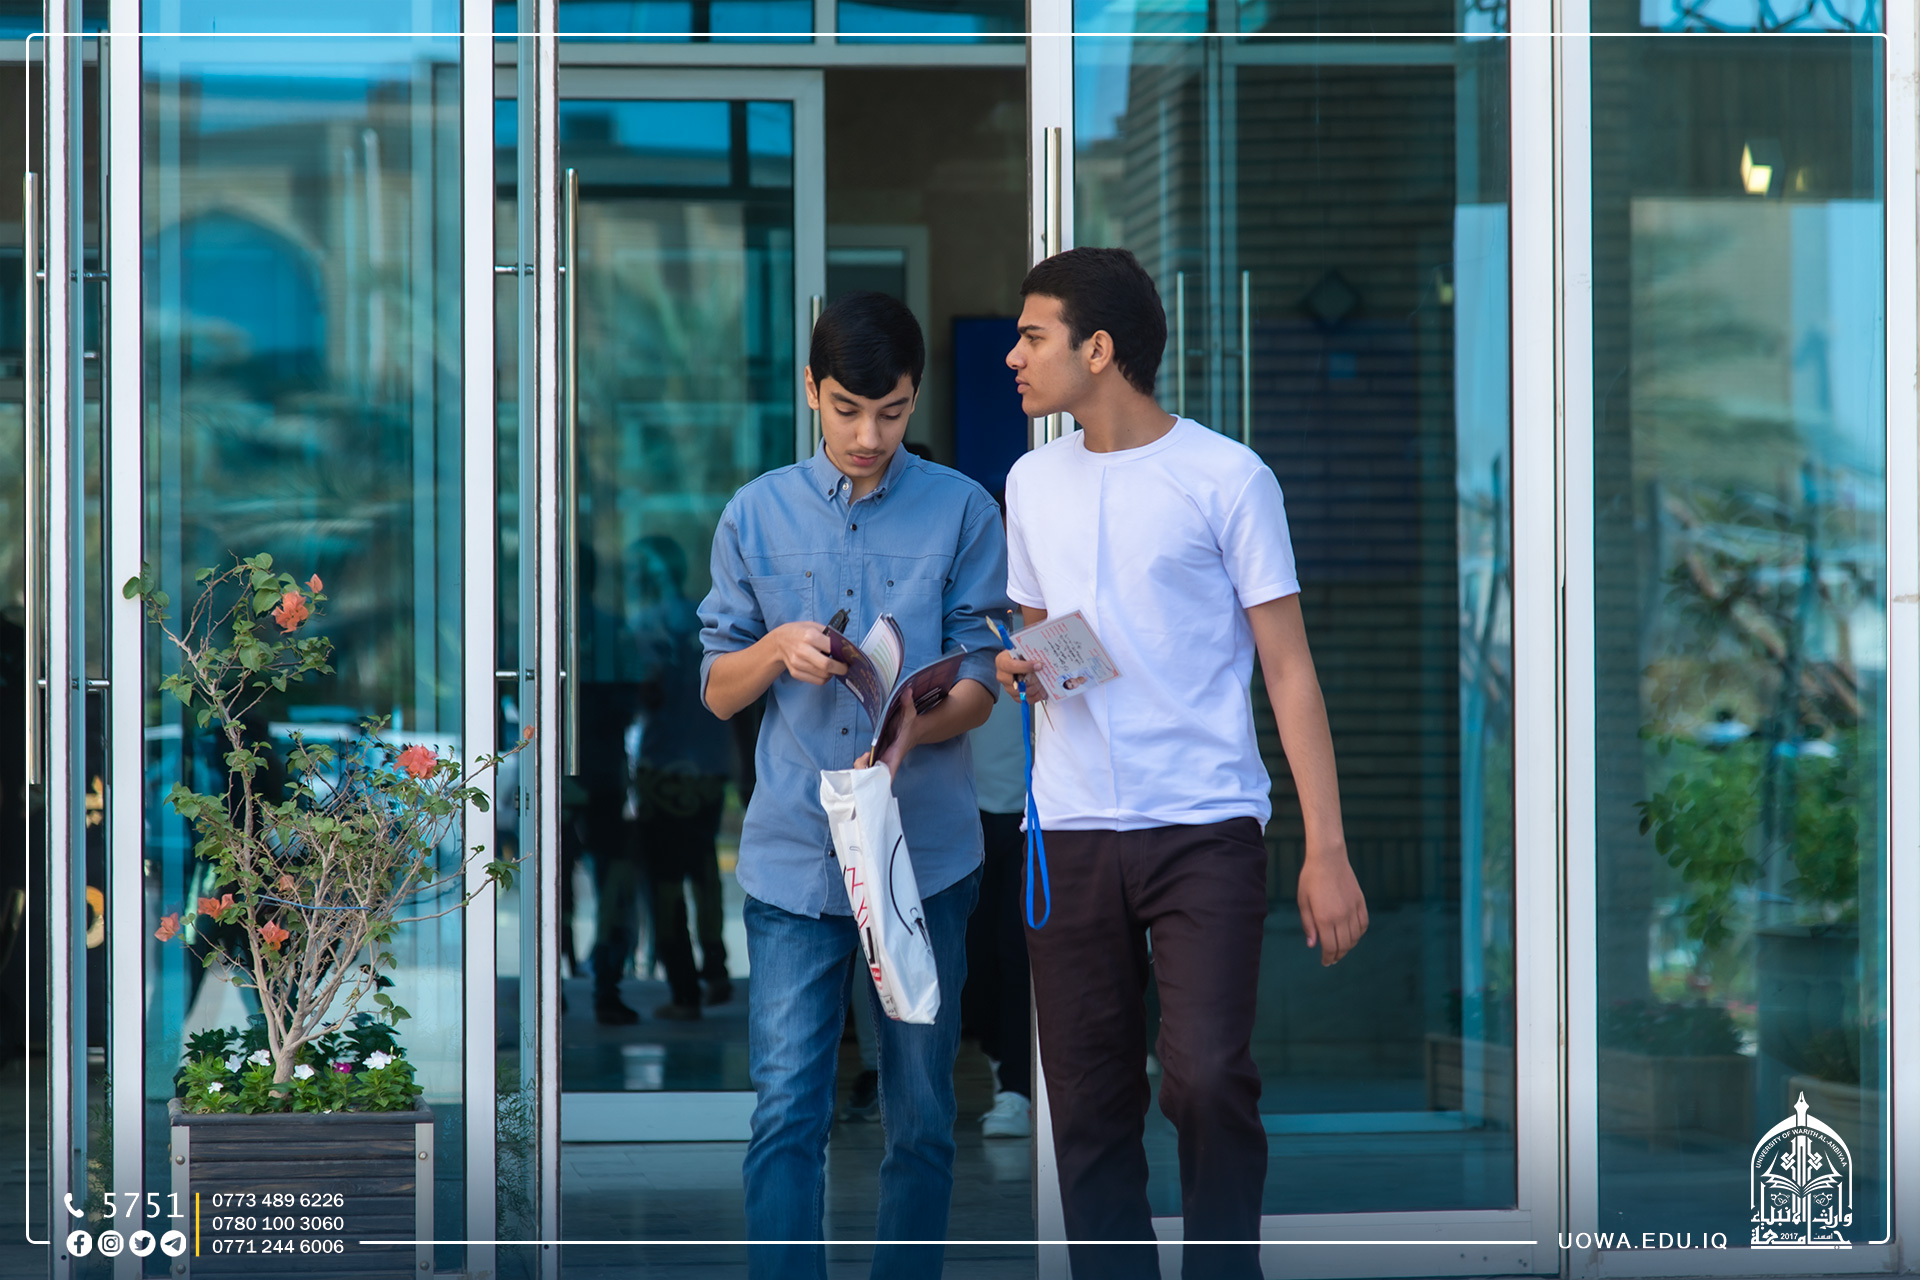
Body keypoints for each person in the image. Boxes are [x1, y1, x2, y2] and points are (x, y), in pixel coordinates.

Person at [997, 247, 1369, 1280]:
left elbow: (1289, 669)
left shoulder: (1228, 476)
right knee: (1088, 1102)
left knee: (1206, 1076)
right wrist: (1026, 666)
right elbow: (1044, 637)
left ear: (1098, 349)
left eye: (1031, 337)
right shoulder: (1031, 481)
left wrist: (1326, 848)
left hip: (1204, 825)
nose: (1013, 358)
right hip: (1069, 829)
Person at [699, 290, 1009, 1280]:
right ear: (810, 390)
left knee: (921, 1115)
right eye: (846, 409)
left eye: (892, 411)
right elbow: (716, 687)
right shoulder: (755, 513)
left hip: (925, 858)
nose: (869, 435)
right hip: (796, 856)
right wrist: (775, 649)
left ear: (915, 397)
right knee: (787, 1110)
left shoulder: (964, 509)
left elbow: (979, 689)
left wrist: (914, 725)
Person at [630, 534, 735, 1019]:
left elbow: (643, 694)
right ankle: (716, 968)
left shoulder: (647, 624)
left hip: (665, 767)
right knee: (704, 870)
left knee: (666, 881)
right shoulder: (704, 620)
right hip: (710, 763)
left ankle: (684, 989)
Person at [961, 602, 1033, 1139]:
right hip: (967, 813)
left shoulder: (1051, 612)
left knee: (1019, 954)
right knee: (974, 959)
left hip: (1038, 816)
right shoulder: (964, 618)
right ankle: (998, 1058)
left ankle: (1017, 1089)